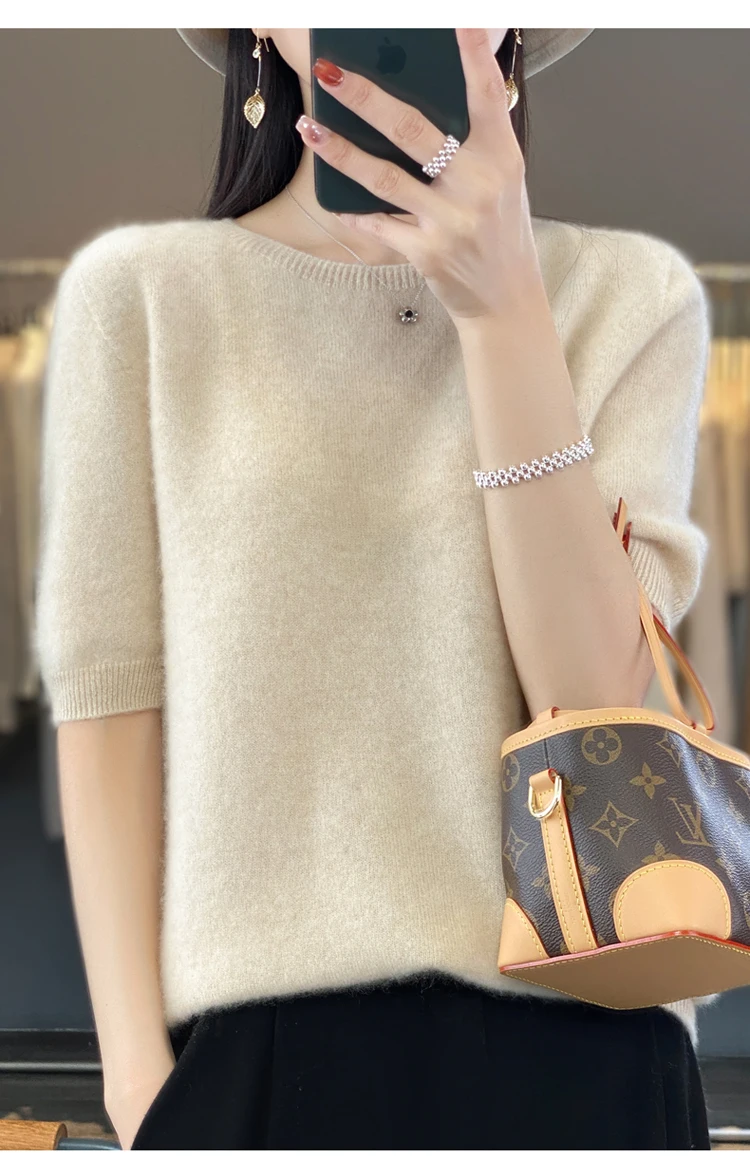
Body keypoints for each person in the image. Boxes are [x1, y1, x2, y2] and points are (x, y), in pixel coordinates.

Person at [35, 26, 713, 1150]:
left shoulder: (628, 296)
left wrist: (503, 310)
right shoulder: (144, 296)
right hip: (255, 1058)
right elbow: (111, 695)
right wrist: (138, 1081)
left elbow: (596, 705)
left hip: (588, 1056)